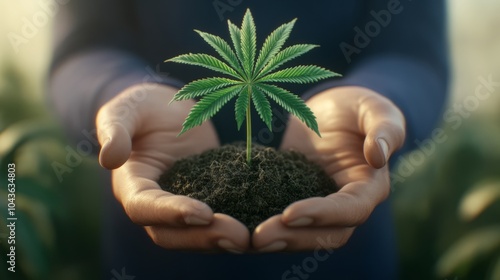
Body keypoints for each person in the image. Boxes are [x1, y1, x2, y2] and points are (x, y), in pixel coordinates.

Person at [48, 1, 448, 279]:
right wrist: (117, 91)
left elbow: (414, 51)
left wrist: (382, 97)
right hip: (152, 258)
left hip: (343, 255)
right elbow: (84, 46)